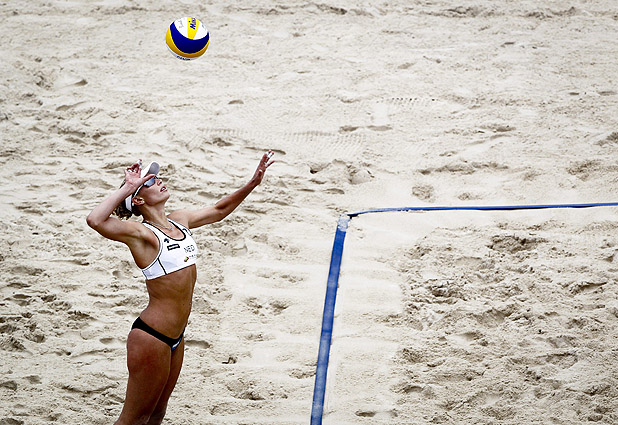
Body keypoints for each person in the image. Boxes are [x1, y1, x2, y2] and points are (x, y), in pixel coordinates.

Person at [86, 152, 275, 425]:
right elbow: (95, 220)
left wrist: (252, 183)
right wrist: (127, 187)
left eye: (157, 177)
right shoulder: (142, 235)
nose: (159, 181)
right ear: (138, 200)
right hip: (152, 336)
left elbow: (220, 210)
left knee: (157, 414)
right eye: (150, 182)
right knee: (134, 419)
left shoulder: (179, 220)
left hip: (176, 336)